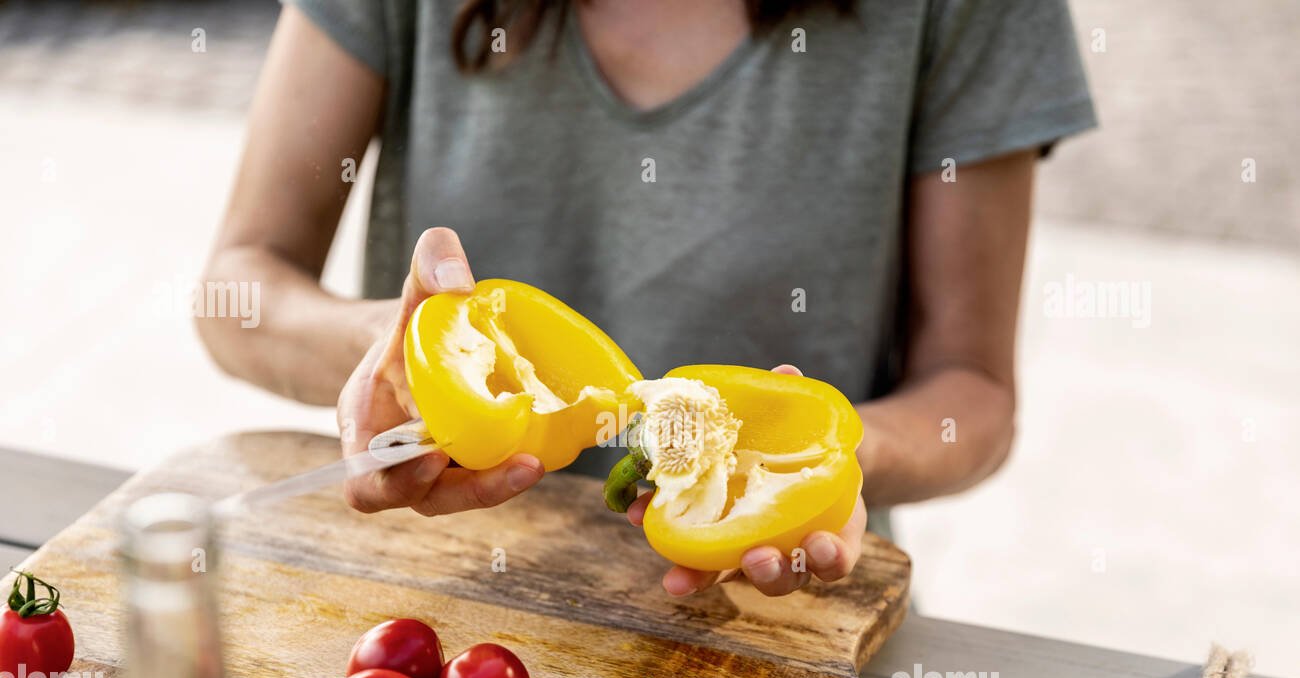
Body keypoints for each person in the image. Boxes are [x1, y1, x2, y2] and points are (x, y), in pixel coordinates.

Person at [196, 0, 1095, 598]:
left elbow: (973, 391)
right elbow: (239, 281)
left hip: (788, 632)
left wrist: (817, 467)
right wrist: (387, 348)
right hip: (441, 599)